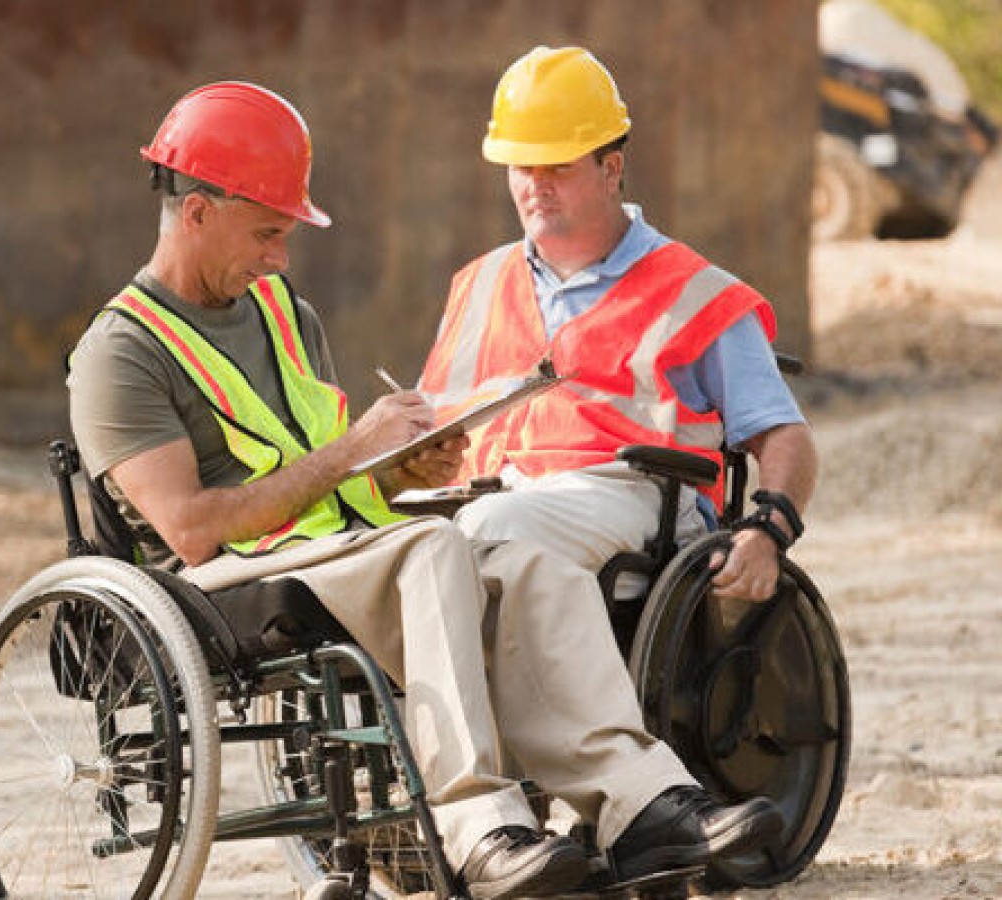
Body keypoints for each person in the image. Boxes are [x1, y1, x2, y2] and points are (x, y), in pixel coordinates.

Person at [67, 80, 783, 900]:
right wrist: (353, 451)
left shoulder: (281, 311)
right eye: (268, 232)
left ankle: (638, 803)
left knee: (526, 563)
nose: (280, 256)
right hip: (224, 580)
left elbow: (323, 465)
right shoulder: (119, 354)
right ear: (197, 212)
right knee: (437, 546)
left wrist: (403, 465)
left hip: (330, 545)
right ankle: (477, 826)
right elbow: (192, 528)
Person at [420, 46, 819, 604]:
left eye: (557, 165)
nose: (536, 185)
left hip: (636, 504)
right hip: (498, 497)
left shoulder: (696, 292)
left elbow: (785, 434)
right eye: (522, 167)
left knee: (484, 533)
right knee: (416, 547)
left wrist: (769, 533)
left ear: (611, 169)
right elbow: (429, 424)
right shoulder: (478, 282)